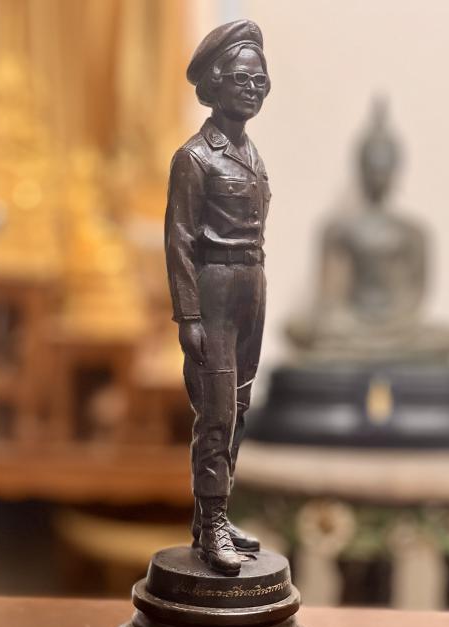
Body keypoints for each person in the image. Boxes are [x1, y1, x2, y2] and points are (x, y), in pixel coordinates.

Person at [164, 20, 271, 574]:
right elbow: (179, 241)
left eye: (260, 80)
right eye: (241, 79)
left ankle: (215, 515)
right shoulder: (195, 158)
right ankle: (211, 528)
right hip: (215, 289)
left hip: (251, 286)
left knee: (240, 407)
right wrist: (189, 315)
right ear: (213, 83)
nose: (253, 88)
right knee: (216, 412)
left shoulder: (251, 155)